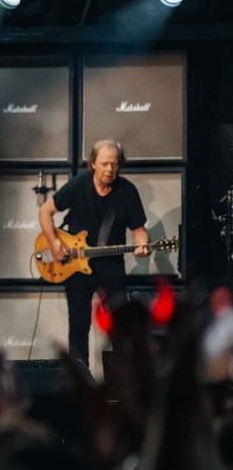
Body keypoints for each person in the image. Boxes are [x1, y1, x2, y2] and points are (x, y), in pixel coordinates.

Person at [37, 138, 150, 365]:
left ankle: (122, 378)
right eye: (105, 163)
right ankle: (81, 377)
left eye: (114, 164)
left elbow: (139, 231)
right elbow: (45, 211)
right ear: (93, 163)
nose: (109, 169)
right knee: (78, 325)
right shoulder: (78, 185)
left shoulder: (127, 191)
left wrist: (143, 245)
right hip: (76, 266)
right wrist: (54, 242)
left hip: (111, 266)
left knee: (120, 324)